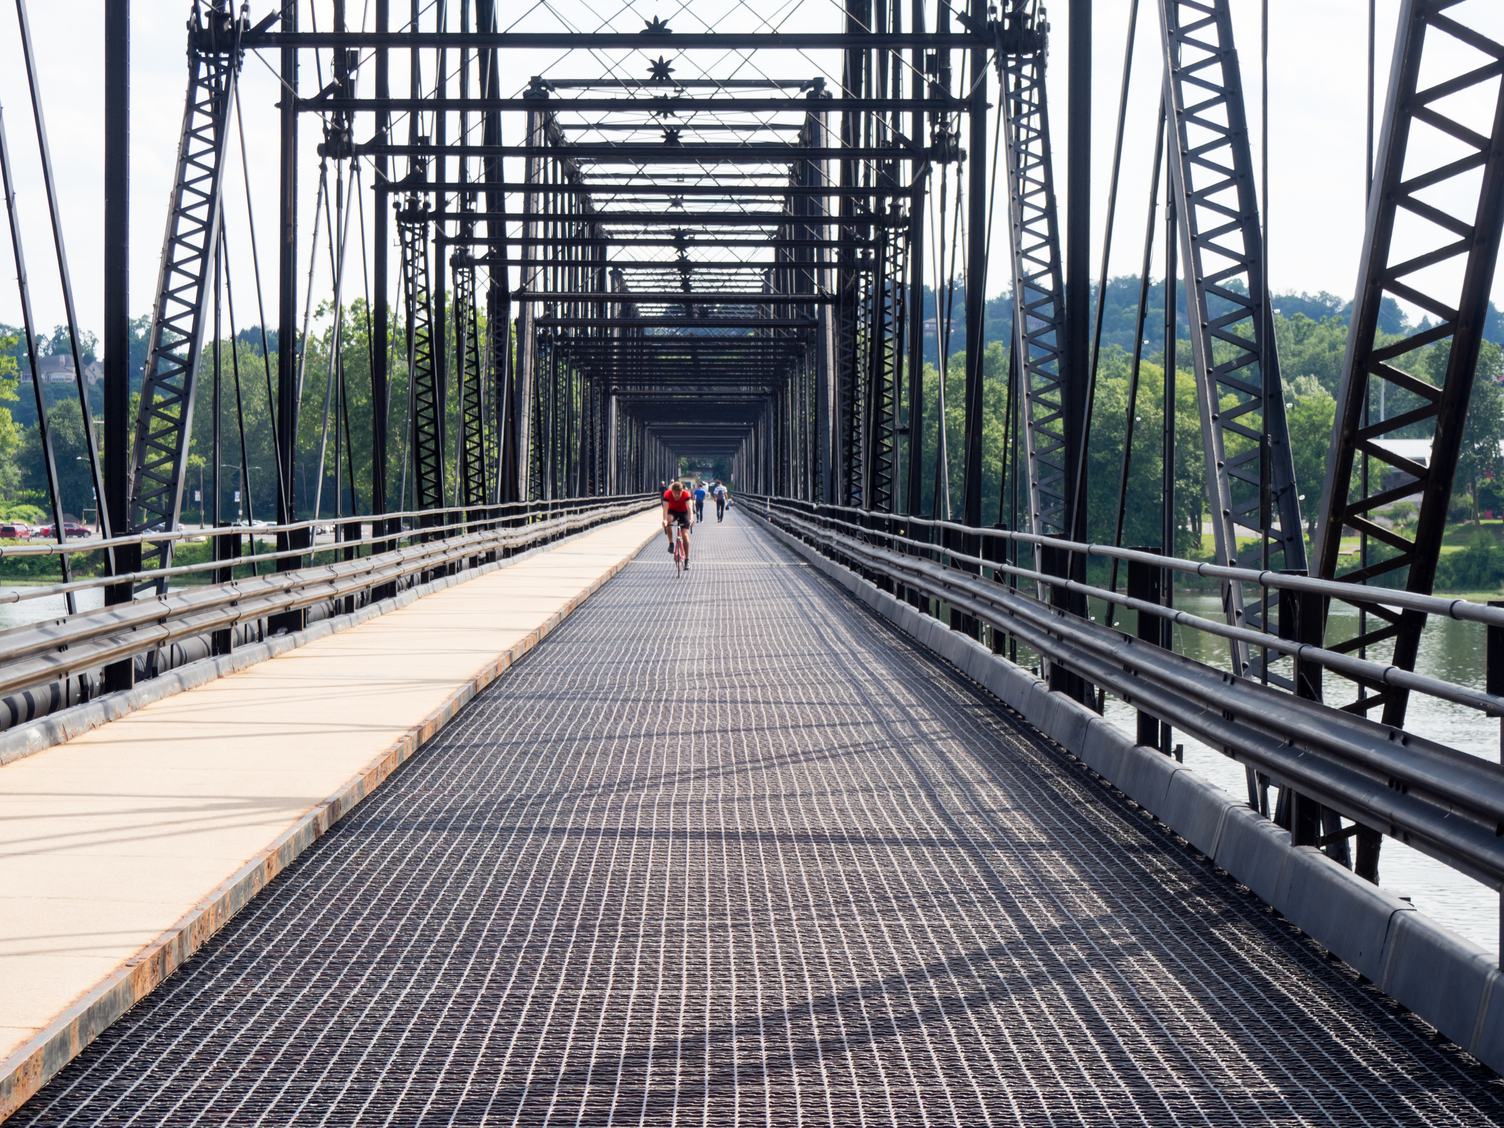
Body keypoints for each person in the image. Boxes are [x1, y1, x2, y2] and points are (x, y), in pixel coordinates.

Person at [662, 479, 694, 569]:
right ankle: (671, 543)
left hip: (683, 512)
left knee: (685, 535)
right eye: (674, 493)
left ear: (682, 491)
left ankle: (687, 560)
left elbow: (689, 509)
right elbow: (665, 510)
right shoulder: (667, 494)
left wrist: (691, 519)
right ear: (671, 491)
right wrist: (664, 520)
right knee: (668, 520)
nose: (676, 495)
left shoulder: (686, 494)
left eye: (678, 493)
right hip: (672, 511)